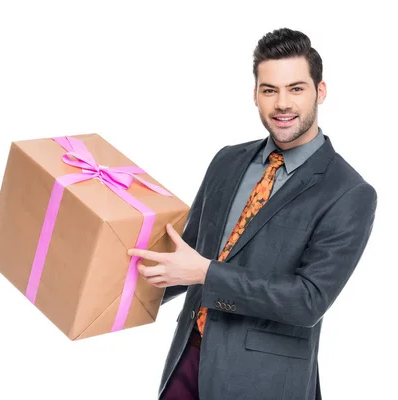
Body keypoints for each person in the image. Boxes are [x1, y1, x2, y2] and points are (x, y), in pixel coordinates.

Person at [127, 27, 378, 400]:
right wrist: (111, 290)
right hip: (189, 359)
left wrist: (205, 273)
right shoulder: (227, 161)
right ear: (256, 95)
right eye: (269, 90)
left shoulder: (349, 193)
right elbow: (188, 256)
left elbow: (307, 300)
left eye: (296, 88)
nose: (282, 104)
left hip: (265, 381)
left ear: (319, 92)